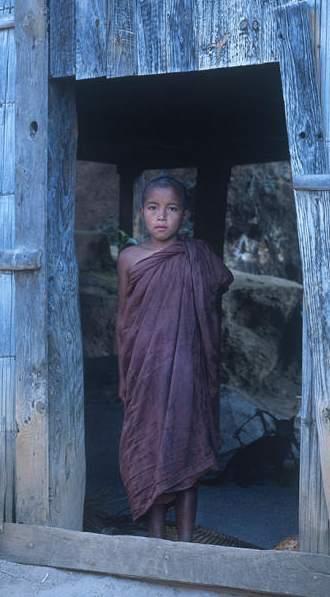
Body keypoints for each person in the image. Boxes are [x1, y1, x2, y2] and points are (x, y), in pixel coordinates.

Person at [116, 176, 233, 541]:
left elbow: (212, 314)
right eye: (153, 208)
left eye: (171, 209)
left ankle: (185, 544)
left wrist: (207, 366)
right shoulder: (130, 259)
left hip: (186, 373)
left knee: (187, 455)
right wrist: (123, 377)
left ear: (185, 215)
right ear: (142, 214)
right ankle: (157, 540)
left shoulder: (197, 257)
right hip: (144, 374)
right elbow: (123, 321)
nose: (162, 217)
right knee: (147, 450)